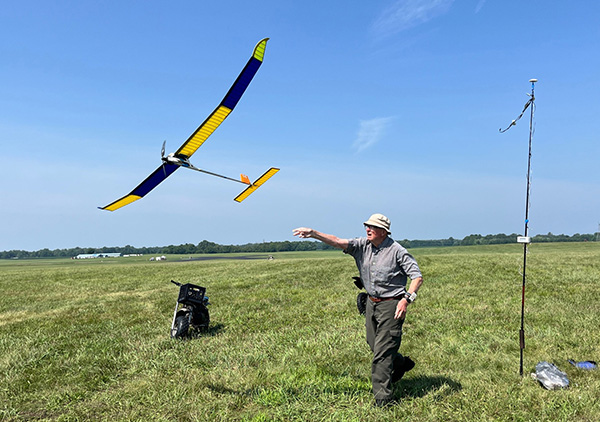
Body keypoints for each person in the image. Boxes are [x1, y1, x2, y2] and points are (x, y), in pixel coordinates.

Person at [293, 213, 423, 407]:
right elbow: (337, 241)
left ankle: (383, 399)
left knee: (382, 354)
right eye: (367, 226)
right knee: (374, 344)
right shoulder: (362, 245)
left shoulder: (397, 251)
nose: (368, 229)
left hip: (392, 304)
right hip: (372, 302)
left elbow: (417, 277)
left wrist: (406, 300)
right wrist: (313, 233)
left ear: (384, 231)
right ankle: (400, 364)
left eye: (372, 227)